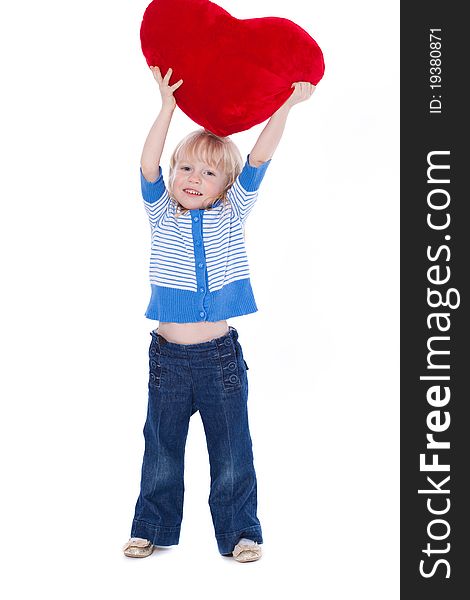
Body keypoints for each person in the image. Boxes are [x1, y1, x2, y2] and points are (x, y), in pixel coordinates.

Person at [123, 66, 315, 562]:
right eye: (186, 168)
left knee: (231, 451)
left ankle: (240, 533)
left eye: (209, 173)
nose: (194, 179)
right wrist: (167, 107)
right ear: (173, 175)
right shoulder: (160, 211)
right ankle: (151, 526)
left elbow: (259, 158)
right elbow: (145, 164)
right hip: (167, 361)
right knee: (161, 449)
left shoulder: (233, 212)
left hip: (220, 361)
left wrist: (285, 107)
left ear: (226, 186)